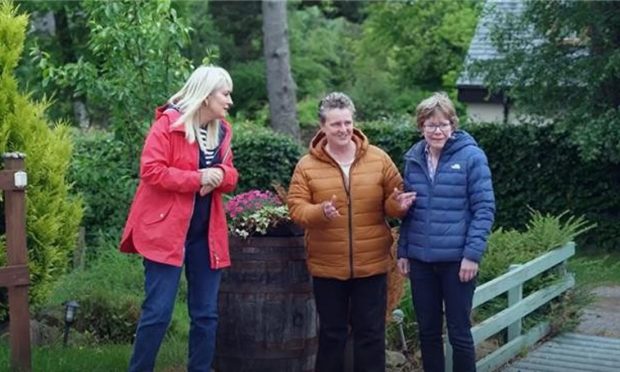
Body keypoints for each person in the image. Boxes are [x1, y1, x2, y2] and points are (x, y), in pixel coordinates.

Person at [120, 65, 238, 372]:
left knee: (206, 314)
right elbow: (151, 171)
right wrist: (198, 178)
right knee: (158, 312)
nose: (229, 101)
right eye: (225, 94)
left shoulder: (222, 132)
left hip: (205, 234)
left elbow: (231, 176)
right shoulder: (168, 125)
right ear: (206, 95)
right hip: (165, 232)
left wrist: (219, 175)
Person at [287, 92, 415, 372]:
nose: (343, 129)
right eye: (335, 125)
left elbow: (394, 200)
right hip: (327, 266)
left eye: (347, 122)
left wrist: (398, 204)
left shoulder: (378, 159)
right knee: (332, 335)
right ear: (322, 127)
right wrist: (320, 212)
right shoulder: (307, 166)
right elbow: (296, 209)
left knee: (370, 335)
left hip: (372, 266)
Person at [397, 92, 495, 372]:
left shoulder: (472, 157)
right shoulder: (414, 159)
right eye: (430, 125)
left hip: (457, 263)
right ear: (421, 127)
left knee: (459, 333)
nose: (437, 130)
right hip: (420, 262)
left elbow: (484, 208)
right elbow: (409, 211)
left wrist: (472, 255)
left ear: (453, 125)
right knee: (427, 333)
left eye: (442, 124)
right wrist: (403, 250)